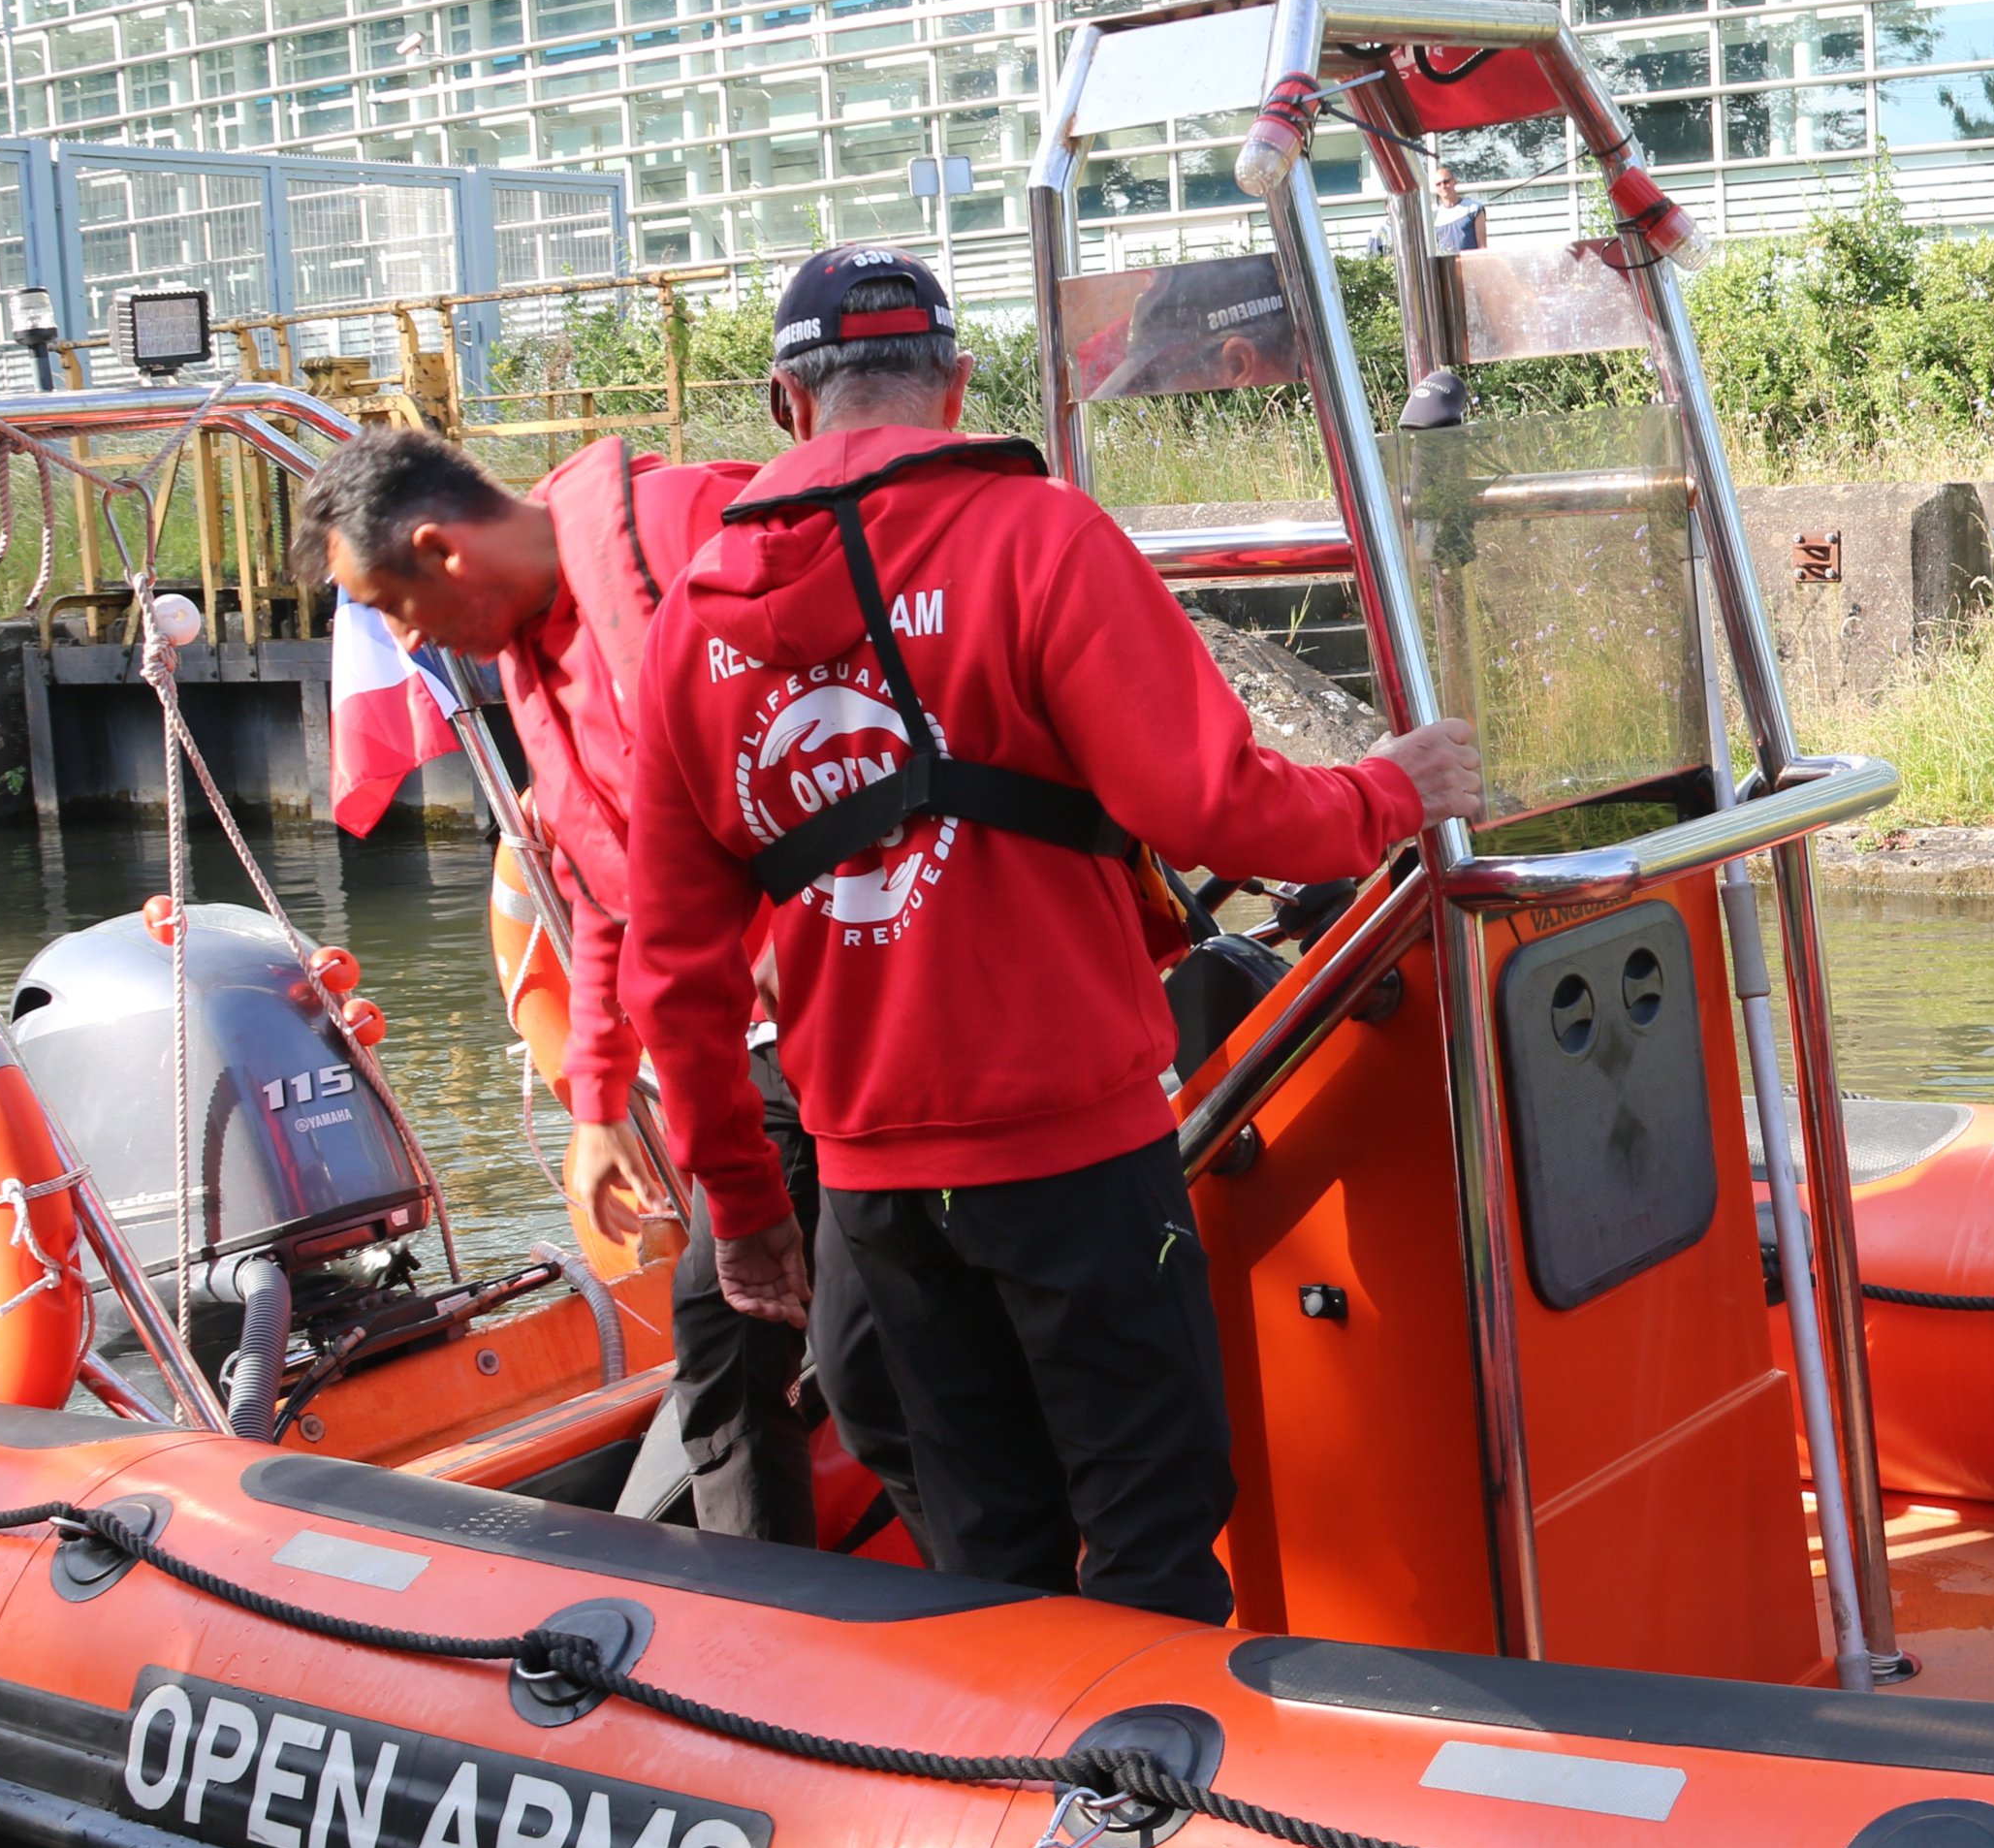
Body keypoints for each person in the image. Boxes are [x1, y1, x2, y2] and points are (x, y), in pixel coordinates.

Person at [626, 244, 1485, 1618]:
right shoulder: (1038, 538)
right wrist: (1387, 790)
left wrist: (744, 1211)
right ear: (958, 386)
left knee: (978, 1547)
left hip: (871, 1192)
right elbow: (1208, 805)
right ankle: (1138, 1817)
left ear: (786, 405)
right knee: (1148, 1522)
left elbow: (671, 976)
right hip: (1071, 1159)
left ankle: (1003, 1805)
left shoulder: (689, 626)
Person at [298, 425, 844, 1543]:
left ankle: (981, 1647)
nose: (406, 640)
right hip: (779, 1046)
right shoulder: (533, 656)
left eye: (391, 608)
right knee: (729, 1336)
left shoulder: (699, 533)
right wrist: (598, 1104)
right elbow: (608, 882)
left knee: (875, 1361)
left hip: (877, 1011)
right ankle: (769, 1630)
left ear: (443, 551)